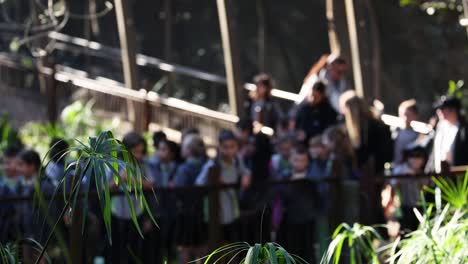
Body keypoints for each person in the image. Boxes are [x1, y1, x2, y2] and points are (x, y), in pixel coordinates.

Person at [196, 130, 251, 242]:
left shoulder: (237, 161)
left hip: (232, 211)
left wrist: (246, 177)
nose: (229, 150)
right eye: (225, 147)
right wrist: (214, 181)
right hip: (215, 212)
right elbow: (199, 183)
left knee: (232, 245)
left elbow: (246, 172)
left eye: (232, 146)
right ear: (219, 147)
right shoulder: (212, 164)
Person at [108, 132, 148, 264]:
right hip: (117, 213)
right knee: (116, 250)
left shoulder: (142, 165)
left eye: (141, 152)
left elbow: (151, 184)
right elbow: (104, 188)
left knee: (135, 250)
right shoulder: (115, 165)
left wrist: (134, 181)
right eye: (135, 151)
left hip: (137, 214)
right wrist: (119, 179)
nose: (139, 155)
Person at [277, 146, 317, 262]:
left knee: (307, 252)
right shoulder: (283, 178)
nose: (299, 163)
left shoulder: (312, 180)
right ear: (290, 160)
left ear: (307, 162)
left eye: (303, 160)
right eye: (296, 160)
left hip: (307, 221)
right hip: (289, 222)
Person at [173, 134, 207, 264]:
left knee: (185, 249)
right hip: (202, 213)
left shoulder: (183, 169)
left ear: (188, 150)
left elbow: (179, 192)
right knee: (201, 248)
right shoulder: (206, 166)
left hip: (186, 214)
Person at [144, 139, 180, 263]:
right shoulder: (151, 165)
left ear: (172, 154)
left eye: (164, 150)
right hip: (155, 211)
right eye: (159, 149)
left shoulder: (175, 168)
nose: (159, 153)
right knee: (153, 247)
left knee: (169, 245)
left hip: (170, 212)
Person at [426, 96, 468, 173]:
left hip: (459, 176)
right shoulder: (440, 126)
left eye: (442, 109)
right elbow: (434, 152)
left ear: (454, 110)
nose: (439, 112)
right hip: (439, 175)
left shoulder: (464, 129)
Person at [393, 100, 420, 165]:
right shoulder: (395, 131)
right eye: (403, 115)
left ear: (415, 116)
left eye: (408, 115)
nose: (405, 118)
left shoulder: (417, 135)